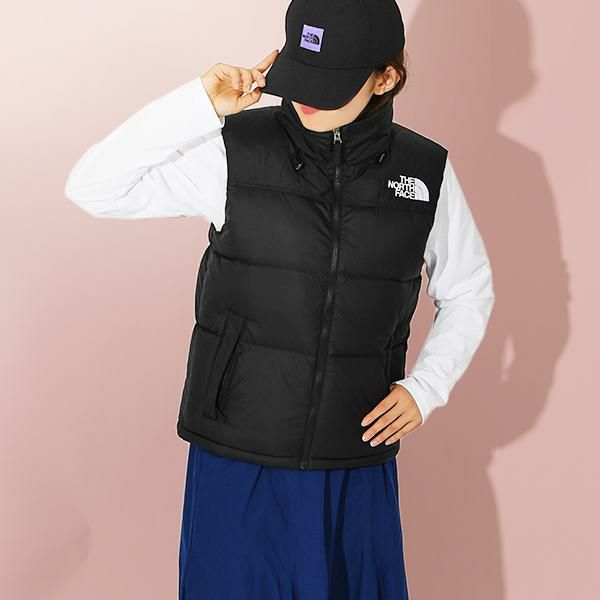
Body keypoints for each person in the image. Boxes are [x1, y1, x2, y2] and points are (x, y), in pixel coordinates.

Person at [64, 1, 495, 598]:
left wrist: (426, 388)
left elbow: (469, 288)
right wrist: (198, 105)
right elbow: (93, 186)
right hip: (239, 457)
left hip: (351, 460)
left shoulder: (424, 173)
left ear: (385, 78)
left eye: (329, 82)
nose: (306, 97)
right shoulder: (232, 151)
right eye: (301, 73)